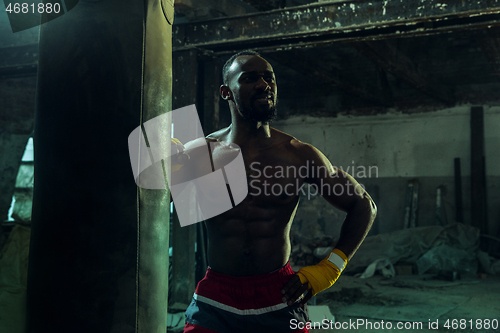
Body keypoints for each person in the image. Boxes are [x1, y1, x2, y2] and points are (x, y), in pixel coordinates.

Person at [172, 50, 377, 333]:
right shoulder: (200, 153)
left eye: (269, 78)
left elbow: (363, 204)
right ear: (226, 92)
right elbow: (160, 206)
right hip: (215, 299)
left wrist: (331, 268)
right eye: (250, 78)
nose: (264, 85)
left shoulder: (299, 155)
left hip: (279, 297)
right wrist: (168, 166)